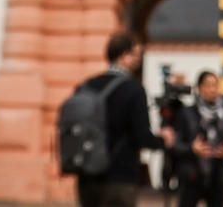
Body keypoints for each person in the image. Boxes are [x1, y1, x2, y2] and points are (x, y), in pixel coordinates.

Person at [73, 32, 172, 207]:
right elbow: (142, 137)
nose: (139, 60)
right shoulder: (133, 89)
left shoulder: (86, 85)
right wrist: (163, 140)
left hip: (87, 175)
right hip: (119, 176)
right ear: (124, 56)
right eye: (136, 55)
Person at [170, 70, 223, 207]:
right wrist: (192, 149)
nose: (212, 89)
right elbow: (175, 145)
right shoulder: (187, 113)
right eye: (208, 85)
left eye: (215, 85)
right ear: (199, 88)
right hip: (192, 175)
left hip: (216, 177)